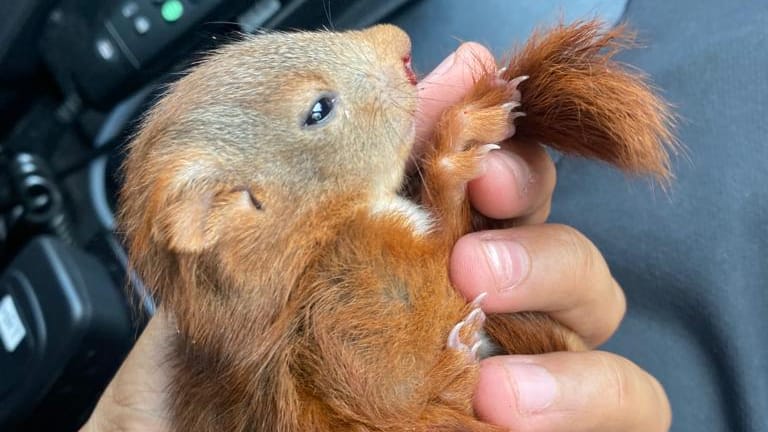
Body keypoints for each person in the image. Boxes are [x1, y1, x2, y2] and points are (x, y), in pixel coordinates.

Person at [80, 43, 671, 432]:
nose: (394, 44)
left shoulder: (340, 251)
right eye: (319, 110)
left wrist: (442, 173)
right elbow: (409, 358)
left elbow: (431, 291)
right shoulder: (325, 305)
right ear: (233, 207)